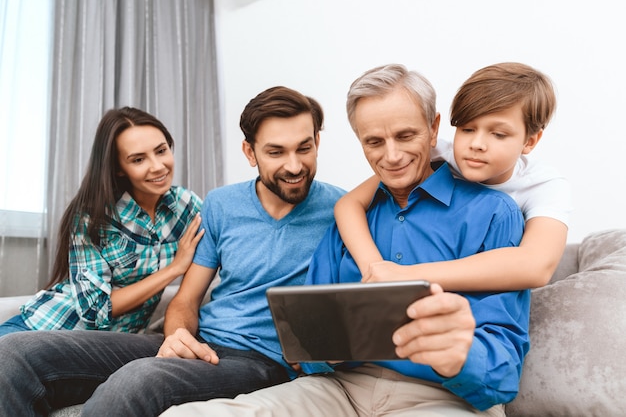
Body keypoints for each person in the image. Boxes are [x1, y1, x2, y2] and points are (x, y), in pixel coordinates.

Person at [162, 64, 528, 416]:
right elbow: (308, 347)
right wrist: (321, 350)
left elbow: (503, 374)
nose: (393, 156)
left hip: (444, 398)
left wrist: (460, 356)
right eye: (374, 141)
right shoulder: (346, 218)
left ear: (433, 129)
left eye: (405, 135)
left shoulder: (493, 214)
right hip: (337, 391)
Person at [0, 86, 345, 416]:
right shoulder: (220, 204)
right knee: (13, 354)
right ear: (249, 152)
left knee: (135, 383)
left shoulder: (344, 211)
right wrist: (178, 335)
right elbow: (185, 300)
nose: (295, 165)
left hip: (260, 359)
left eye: (304, 147)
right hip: (201, 340)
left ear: (317, 141)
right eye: (276, 151)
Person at [334, 62, 572, 291]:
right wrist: (376, 269)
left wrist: (405, 276)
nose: (476, 144)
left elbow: (536, 267)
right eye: (467, 129)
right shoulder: (440, 154)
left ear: (530, 141)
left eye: (498, 134)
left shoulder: (544, 186)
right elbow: (349, 204)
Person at [0, 107, 203, 337]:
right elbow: (94, 310)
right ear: (118, 169)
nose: (157, 166)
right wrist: (174, 268)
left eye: (161, 151)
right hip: (43, 330)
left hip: (111, 346)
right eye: (138, 159)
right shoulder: (92, 216)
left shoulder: (186, 206)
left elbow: (227, 242)